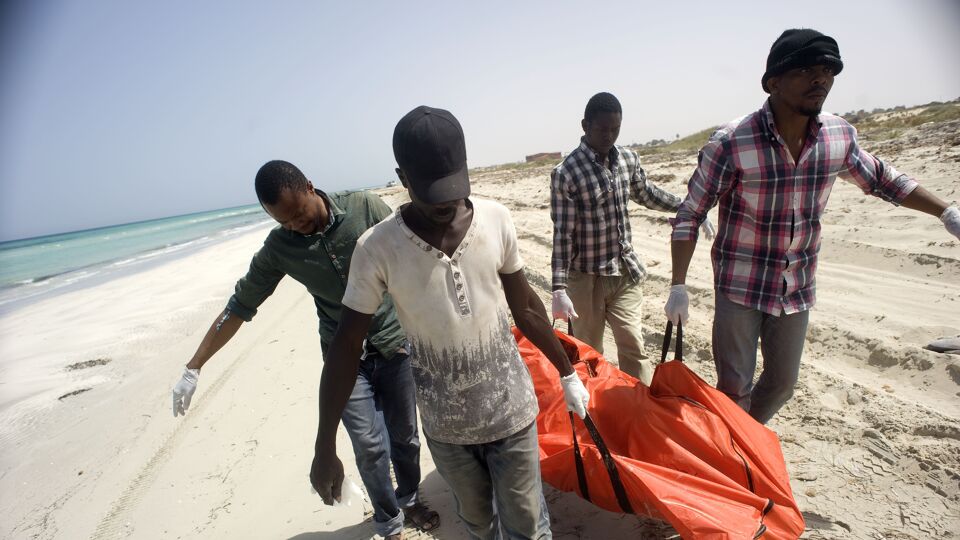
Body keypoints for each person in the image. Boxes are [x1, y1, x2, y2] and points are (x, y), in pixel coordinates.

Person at [310, 105, 591, 540]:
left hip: (511, 411)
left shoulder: (496, 219)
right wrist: (325, 442)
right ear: (403, 179)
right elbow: (346, 347)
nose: (446, 203)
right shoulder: (377, 249)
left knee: (528, 526)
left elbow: (528, 307)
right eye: (431, 192)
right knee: (479, 524)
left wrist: (568, 373)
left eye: (454, 188)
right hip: (447, 428)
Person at [664, 28, 960, 424]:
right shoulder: (732, 142)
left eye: (827, 70)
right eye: (805, 70)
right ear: (773, 82)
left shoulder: (838, 135)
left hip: (797, 286)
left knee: (783, 384)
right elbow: (690, 213)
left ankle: (746, 441)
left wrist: (946, 212)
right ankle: (738, 463)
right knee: (734, 387)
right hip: (740, 285)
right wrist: (678, 285)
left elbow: (884, 180)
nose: (820, 79)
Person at [169, 160, 438, 540]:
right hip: (345, 361)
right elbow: (240, 305)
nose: (296, 225)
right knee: (369, 446)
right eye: (285, 222)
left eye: (298, 214)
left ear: (311, 187)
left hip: (394, 343)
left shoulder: (364, 208)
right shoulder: (280, 248)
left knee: (405, 438)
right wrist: (194, 366)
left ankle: (409, 498)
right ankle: (389, 521)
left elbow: (413, 254)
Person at [550, 92, 715, 385]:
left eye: (616, 129)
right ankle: (595, 412)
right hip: (585, 278)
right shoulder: (566, 172)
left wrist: (688, 207)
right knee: (589, 353)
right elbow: (563, 233)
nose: (609, 136)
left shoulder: (628, 159)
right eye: (602, 129)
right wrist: (559, 288)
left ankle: (638, 408)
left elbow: (647, 194)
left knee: (633, 347)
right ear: (585, 125)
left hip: (624, 273)